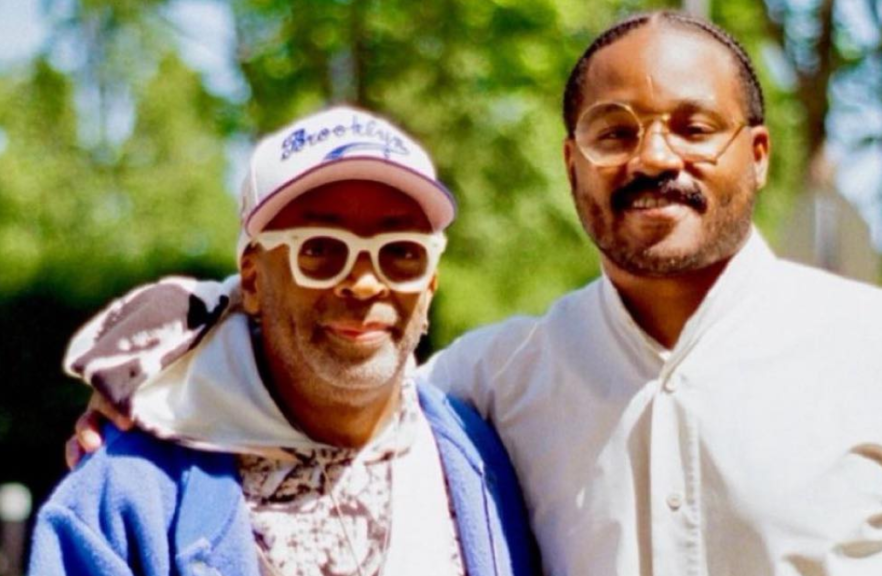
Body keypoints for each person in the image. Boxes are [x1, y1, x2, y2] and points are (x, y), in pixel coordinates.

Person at [67, 10, 882, 576]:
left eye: (694, 127)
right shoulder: (490, 388)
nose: (654, 157)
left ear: (756, 156)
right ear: (571, 163)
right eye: (615, 129)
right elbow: (333, 354)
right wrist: (149, 395)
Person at [30, 105, 537, 576]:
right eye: (319, 249)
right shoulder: (127, 494)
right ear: (252, 279)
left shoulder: (485, 458)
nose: (364, 282)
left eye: (401, 251)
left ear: (431, 282)